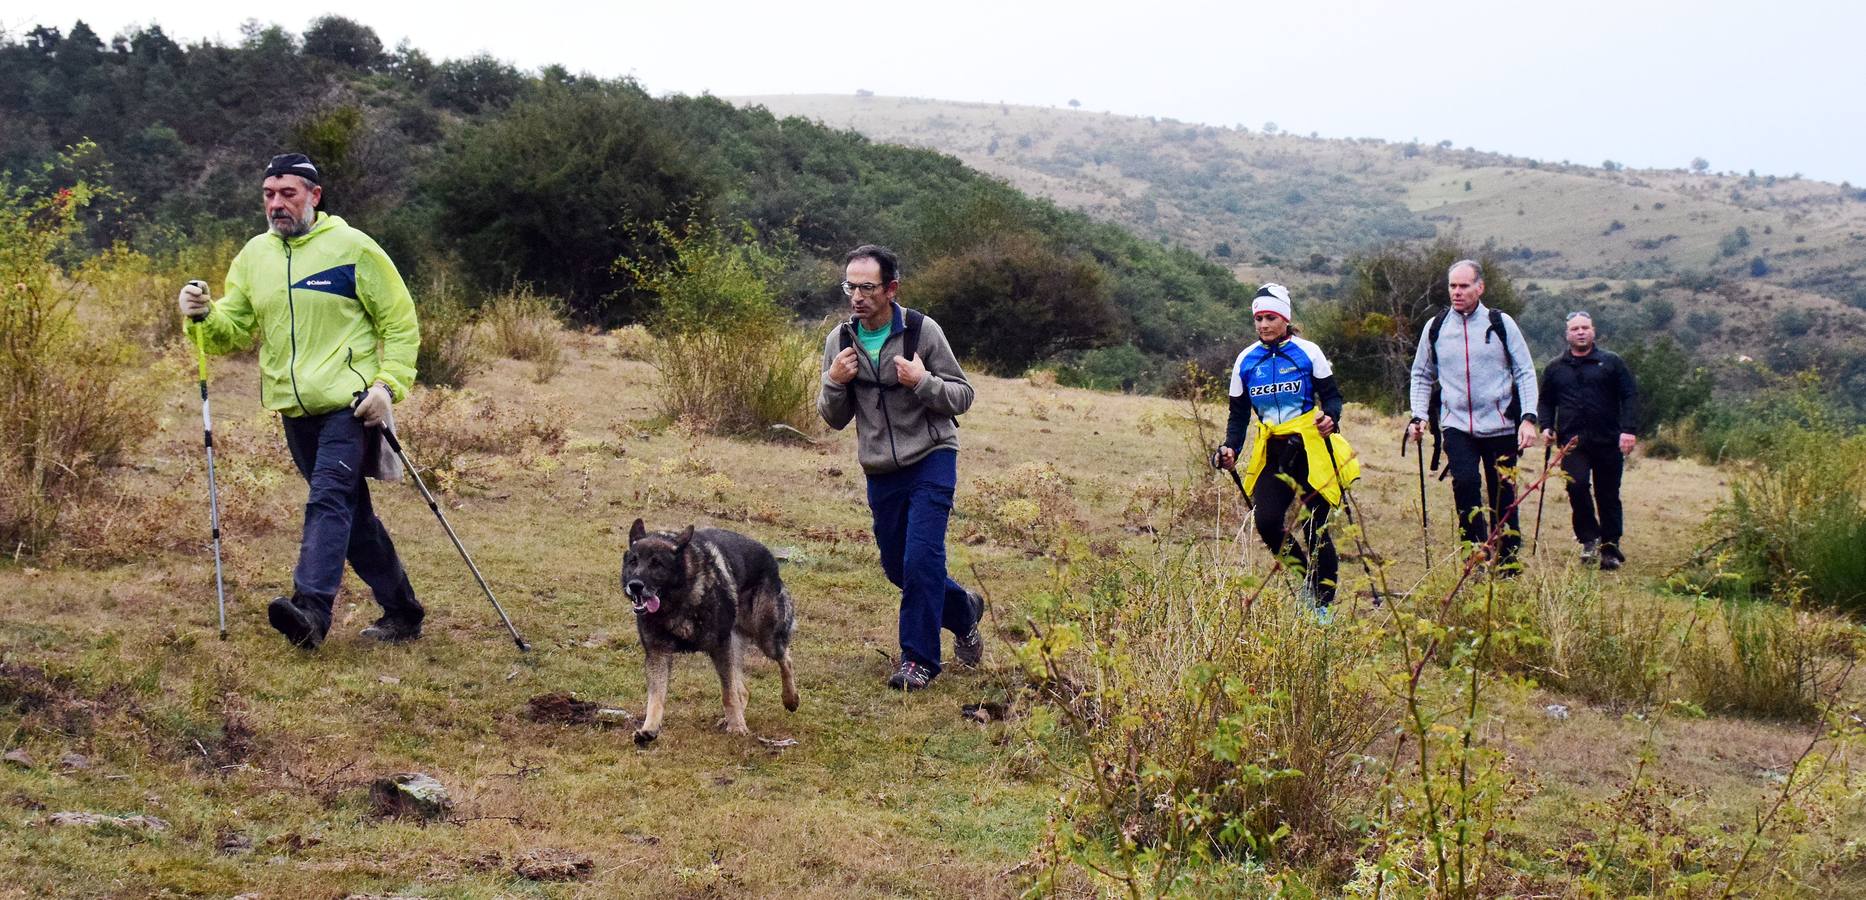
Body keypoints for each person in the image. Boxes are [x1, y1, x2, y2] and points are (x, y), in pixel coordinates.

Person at [176, 153, 423, 650]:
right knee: (352, 516)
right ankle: (403, 610)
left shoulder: (354, 248)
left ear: (314, 195)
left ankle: (310, 612)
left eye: (288, 193)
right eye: (269, 194)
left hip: (348, 406)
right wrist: (200, 315)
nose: (277, 204)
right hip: (293, 411)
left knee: (329, 498)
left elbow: (399, 324)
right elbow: (231, 332)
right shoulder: (253, 257)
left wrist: (386, 387)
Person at [817, 244, 983, 691]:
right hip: (880, 471)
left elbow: (963, 396)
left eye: (867, 287)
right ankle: (964, 610)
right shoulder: (839, 341)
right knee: (897, 568)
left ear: (891, 289)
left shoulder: (922, 332)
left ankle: (919, 660)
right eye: (850, 285)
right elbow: (832, 418)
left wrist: (922, 382)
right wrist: (835, 381)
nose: (856, 296)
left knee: (921, 560)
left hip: (932, 458)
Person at [1215, 284, 1357, 619]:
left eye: (1270, 317)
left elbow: (1333, 397)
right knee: (1265, 522)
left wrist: (1331, 419)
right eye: (1258, 318)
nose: (1263, 324)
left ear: (1285, 319)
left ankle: (1322, 607)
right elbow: (1238, 416)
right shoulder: (1245, 361)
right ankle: (1307, 578)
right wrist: (1231, 448)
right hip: (1275, 451)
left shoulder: (1308, 352)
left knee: (1314, 528)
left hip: (1311, 446)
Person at [1405, 260, 1540, 567]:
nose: (1457, 292)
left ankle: (1507, 559)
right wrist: (1419, 416)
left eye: (1464, 286)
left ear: (1480, 287)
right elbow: (1422, 375)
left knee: (1502, 492)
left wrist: (1528, 418)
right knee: (1464, 484)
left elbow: (1525, 371)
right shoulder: (1436, 327)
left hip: (1501, 424)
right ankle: (1475, 553)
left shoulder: (1500, 323)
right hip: (1456, 425)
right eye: (1452, 285)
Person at [1537, 311, 1639, 569]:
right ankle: (1589, 539)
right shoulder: (1555, 368)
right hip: (1572, 443)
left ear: (1593, 331)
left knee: (1608, 494)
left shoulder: (1612, 363)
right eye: (1575, 329)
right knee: (1577, 486)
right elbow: (1546, 401)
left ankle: (1610, 548)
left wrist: (1628, 429)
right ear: (1567, 334)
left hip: (1608, 440)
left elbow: (1629, 395)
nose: (1580, 332)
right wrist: (1546, 426)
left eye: (1585, 328)